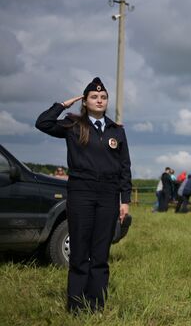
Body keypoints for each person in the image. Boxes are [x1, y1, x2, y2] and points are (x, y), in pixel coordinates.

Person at [35, 77, 131, 313]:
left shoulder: (116, 130)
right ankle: (76, 306)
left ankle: (96, 304)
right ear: (85, 102)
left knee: (100, 253)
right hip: (81, 193)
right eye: (94, 97)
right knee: (79, 252)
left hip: (109, 195)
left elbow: (124, 167)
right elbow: (43, 123)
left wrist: (125, 200)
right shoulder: (72, 125)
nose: (100, 100)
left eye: (103, 97)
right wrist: (64, 104)